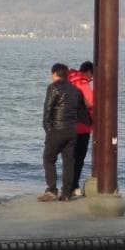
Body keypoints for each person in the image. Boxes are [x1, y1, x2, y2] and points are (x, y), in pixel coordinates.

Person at [39, 62, 81, 201]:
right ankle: (67, 193)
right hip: (72, 130)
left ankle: (52, 190)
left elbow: (48, 110)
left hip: (57, 129)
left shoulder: (53, 88)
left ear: (55, 74)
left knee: (48, 159)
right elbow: (79, 111)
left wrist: (48, 129)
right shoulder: (76, 90)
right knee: (68, 162)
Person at [67, 60, 94, 198]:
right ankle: (74, 186)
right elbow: (91, 104)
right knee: (79, 158)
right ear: (89, 72)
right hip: (82, 127)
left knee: (69, 158)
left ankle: (67, 186)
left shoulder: (69, 81)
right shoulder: (83, 84)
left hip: (66, 125)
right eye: (92, 77)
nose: (91, 80)